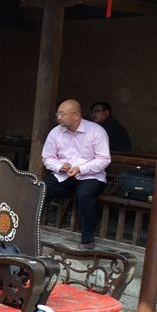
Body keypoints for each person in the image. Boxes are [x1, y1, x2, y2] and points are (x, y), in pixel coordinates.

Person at [42, 99, 111, 248]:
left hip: (91, 176)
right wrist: (60, 166)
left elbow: (104, 159)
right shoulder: (55, 132)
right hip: (64, 175)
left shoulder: (96, 131)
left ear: (76, 115)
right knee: (40, 189)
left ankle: (87, 240)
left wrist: (81, 169)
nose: (58, 117)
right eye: (58, 114)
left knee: (84, 195)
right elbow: (47, 158)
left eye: (62, 114)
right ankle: (28, 229)